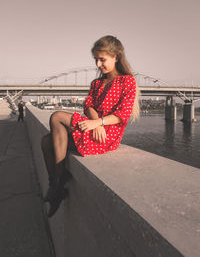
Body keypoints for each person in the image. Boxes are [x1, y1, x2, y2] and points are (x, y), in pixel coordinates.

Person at [41, 35, 140, 217]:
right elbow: (88, 106)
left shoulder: (127, 81)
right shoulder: (96, 83)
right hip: (95, 129)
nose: (98, 64)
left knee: (57, 116)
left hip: (107, 136)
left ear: (116, 57)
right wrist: (95, 123)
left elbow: (123, 114)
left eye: (102, 59)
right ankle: (57, 185)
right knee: (46, 141)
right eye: (96, 59)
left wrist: (99, 123)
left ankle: (56, 184)